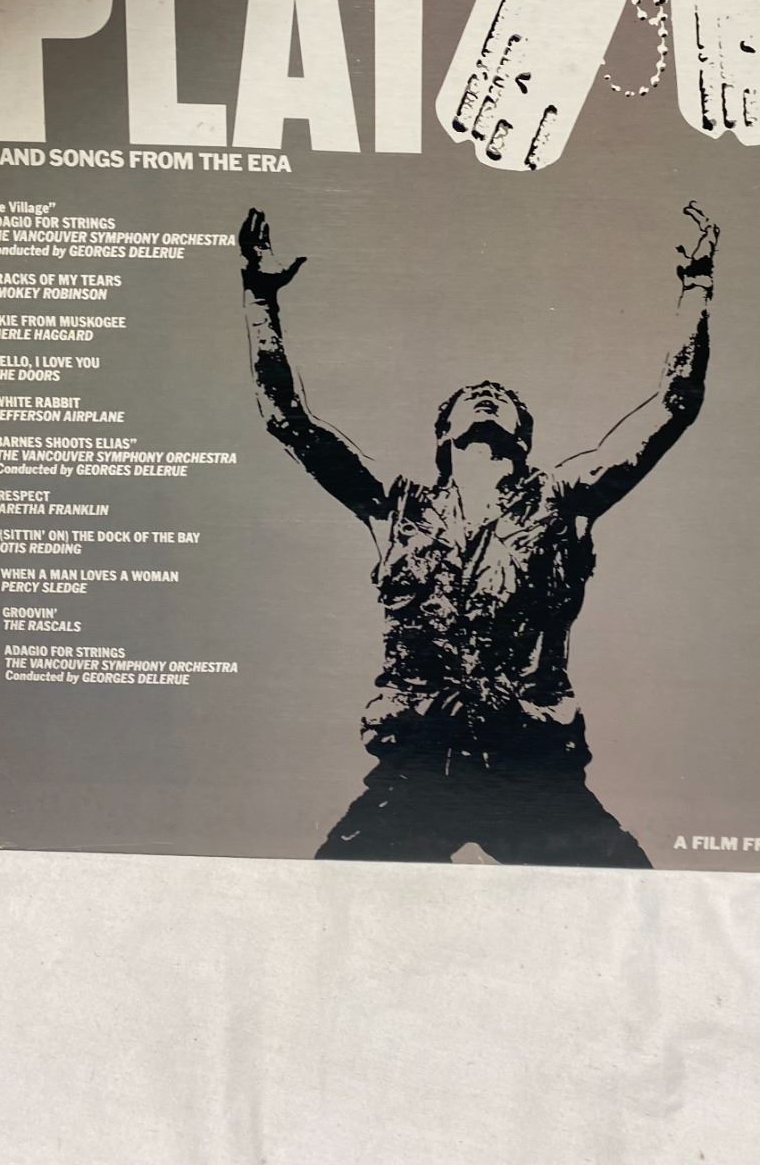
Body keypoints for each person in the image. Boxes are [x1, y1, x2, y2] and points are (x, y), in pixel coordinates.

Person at [239, 203, 719, 867]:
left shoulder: (566, 499)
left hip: (531, 768)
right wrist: (259, 295)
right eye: (473, 396)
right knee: (331, 898)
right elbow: (288, 418)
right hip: (415, 767)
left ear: (523, 437)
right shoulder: (394, 506)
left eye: (504, 399)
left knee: (627, 895)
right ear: (445, 433)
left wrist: (697, 284)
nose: (489, 395)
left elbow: (673, 405)